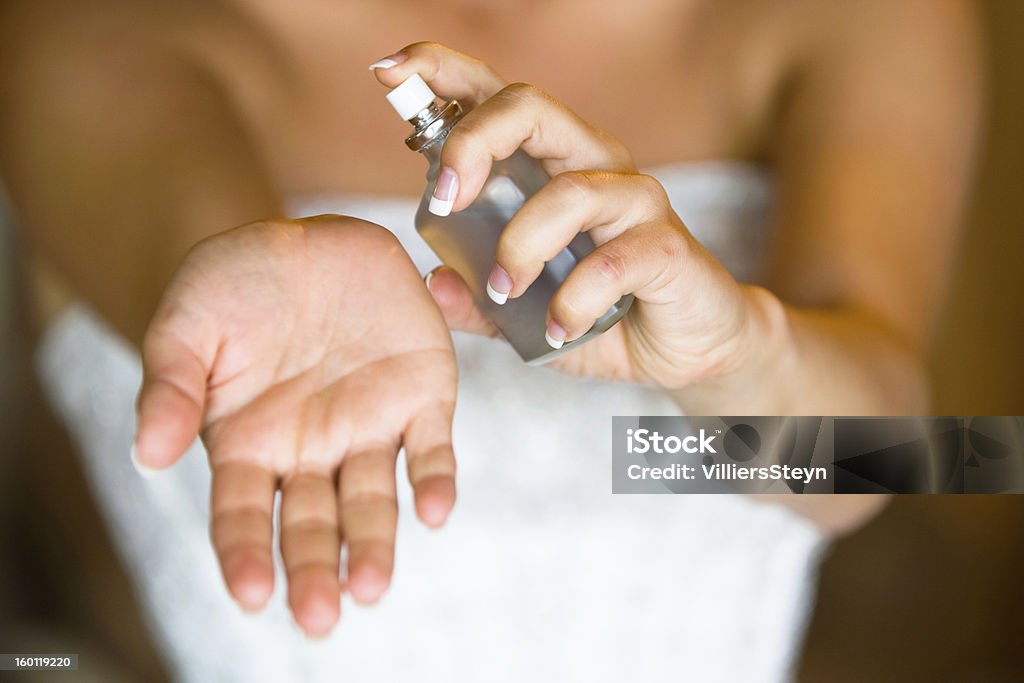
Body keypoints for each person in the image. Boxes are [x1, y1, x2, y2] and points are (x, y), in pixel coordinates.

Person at [0, 1, 981, 681]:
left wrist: (732, 352)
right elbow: (207, 252)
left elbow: (874, 461)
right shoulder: (100, 30)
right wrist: (283, 280)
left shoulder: (857, 17)